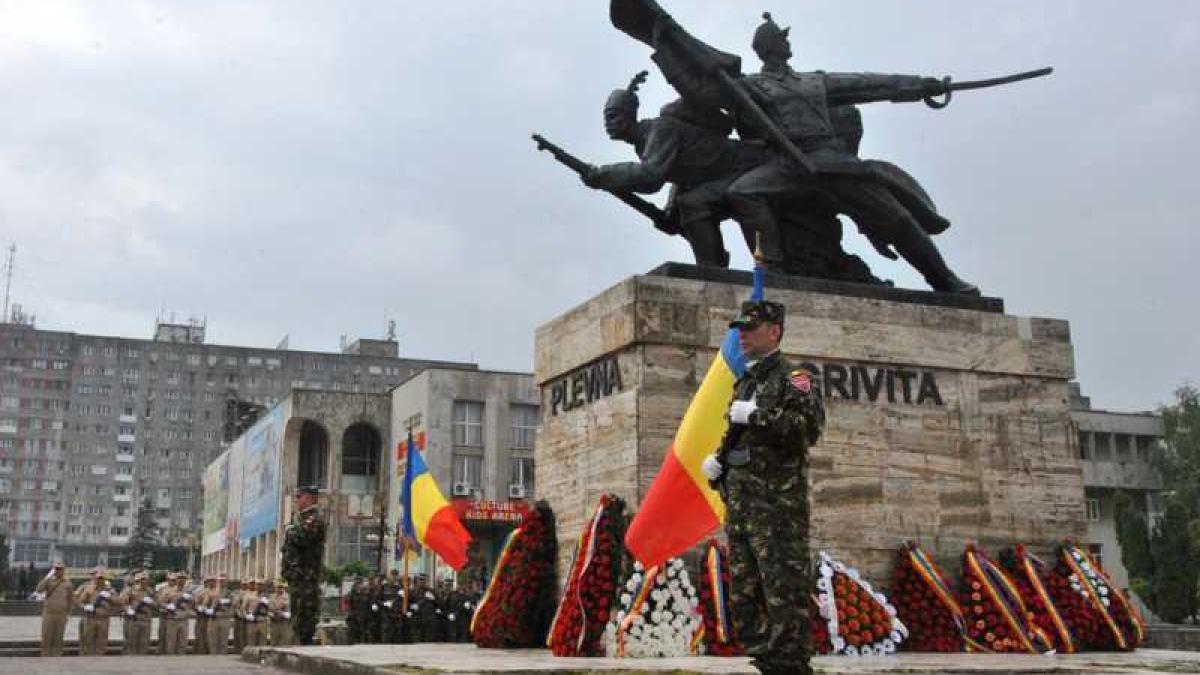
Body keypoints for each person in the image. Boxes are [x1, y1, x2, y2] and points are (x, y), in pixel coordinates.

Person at [720, 13, 977, 294]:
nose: (787, 42)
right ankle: (772, 270)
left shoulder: (814, 80)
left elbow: (866, 84)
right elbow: (705, 99)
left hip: (831, 161)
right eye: (782, 38)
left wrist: (920, 86)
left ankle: (944, 279)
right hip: (789, 163)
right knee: (742, 192)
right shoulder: (748, 86)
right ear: (771, 46)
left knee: (898, 219)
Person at [701, 299, 824, 675]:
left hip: (777, 507)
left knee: (783, 589)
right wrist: (720, 459)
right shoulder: (747, 380)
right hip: (742, 505)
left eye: (750, 328)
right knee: (744, 591)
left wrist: (758, 415)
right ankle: (764, 657)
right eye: (739, 328)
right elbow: (740, 436)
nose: (742, 335)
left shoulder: (795, 376)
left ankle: (789, 664)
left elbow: (806, 428)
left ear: (774, 331)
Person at [281, 487, 326, 645]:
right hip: (297, 576)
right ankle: (300, 642)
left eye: (300, 497)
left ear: (308, 498)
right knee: (297, 615)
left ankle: (305, 643)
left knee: (305, 614)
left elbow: (303, 537)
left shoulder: (314, 518)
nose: (297, 500)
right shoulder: (300, 518)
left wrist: (290, 530)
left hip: (306, 576)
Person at [35, 561, 74, 656]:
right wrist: (47, 577)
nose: (58, 571)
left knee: (59, 636)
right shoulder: (49, 581)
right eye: (56, 569)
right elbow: (39, 589)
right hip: (49, 613)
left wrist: (69, 613)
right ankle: (45, 654)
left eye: (60, 569)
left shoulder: (68, 583)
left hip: (62, 613)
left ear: (64, 571)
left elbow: (70, 600)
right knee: (46, 635)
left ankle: (57, 654)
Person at [75, 567, 116, 656]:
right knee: (87, 640)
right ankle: (86, 658)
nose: (99, 579)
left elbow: (118, 602)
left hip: (104, 618)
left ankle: (99, 659)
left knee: (102, 641)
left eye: (102, 577)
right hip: (90, 617)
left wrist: (109, 597)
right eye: (97, 577)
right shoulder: (87, 588)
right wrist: (85, 607)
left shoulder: (110, 589)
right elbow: (78, 600)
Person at [118, 572, 155, 655]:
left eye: (145, 580)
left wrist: (151, 602)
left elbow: (157, 604)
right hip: (133, 620)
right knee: (131, 643)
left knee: (144, 643)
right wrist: (128, 609)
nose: (143, 582)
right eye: (141, 580)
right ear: (136, 581)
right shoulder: (129, 590)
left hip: (146, 619)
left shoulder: (150, 591)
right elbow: (121, 603)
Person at [208, 575, 235, 655]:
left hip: (225, 618)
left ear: (226, 582)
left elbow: (232, 604)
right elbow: (205, 605)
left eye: (223, 580)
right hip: (214, 618)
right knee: (213, 642)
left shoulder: (230, 593)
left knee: (224, 642)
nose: (222, 582)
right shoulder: (211, 592)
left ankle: (223, 660)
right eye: (220, 580)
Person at [193, 576, 216, 654]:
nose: (211, 583)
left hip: (212, 618)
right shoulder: (199, 592)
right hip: (201, 617)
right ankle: (200, 653)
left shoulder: (216, 592)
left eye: (213, 581)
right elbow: (194, 604)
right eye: (209, 581)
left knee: (210, 638)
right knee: (200, 637)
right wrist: (199, 608)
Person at [269, 580, 292, 646]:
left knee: (284, 639)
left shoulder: (287, 597)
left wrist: (281, 612)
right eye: (278, 587)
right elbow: (270, 607)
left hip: (284, 621)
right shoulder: (272, 596)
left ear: (284, 588)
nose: (280, 589)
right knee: (273, 640)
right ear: (276, 588)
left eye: (281, 587)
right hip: (274, 620)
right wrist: (274, 611)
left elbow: (287, 607)